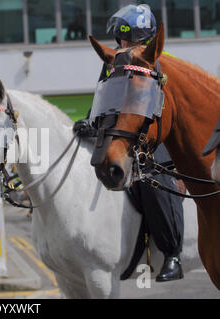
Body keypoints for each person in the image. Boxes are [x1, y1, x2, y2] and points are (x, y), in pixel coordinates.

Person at [81, 4, 185, 282]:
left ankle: (172, 253)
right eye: (122, 39)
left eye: (133, 40)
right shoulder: (114, 62)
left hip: (154, 133)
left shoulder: (162, 61)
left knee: (157, 180)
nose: (125, 44)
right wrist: (89, 121)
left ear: (148, 40)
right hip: (121, 133)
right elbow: (102, 99)